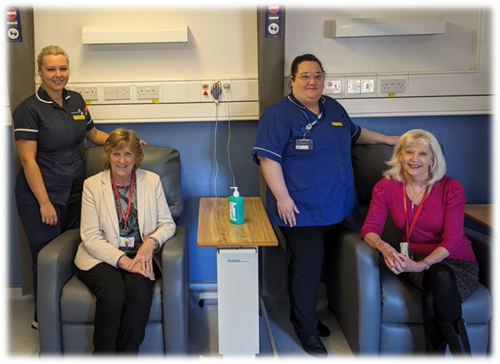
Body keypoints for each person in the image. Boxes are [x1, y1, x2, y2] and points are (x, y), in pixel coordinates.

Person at [251, 53, 399, 359]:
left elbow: (354, 133)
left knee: (332, 265)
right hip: (301, 208)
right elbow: (268, 158)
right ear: (292, 80)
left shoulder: (333, 107)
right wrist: (283, 198)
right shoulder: (278, 115)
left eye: (317, 75)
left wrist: (387, 138)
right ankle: (304, 328)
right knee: (306, 268)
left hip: (339, 204)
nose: (312, 81)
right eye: (305, 76)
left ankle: (311, 317)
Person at [13, 45, 110, 329]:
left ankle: (66, 309)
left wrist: (122, 141)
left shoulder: (76, 100)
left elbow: (92, 134)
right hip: (40, 194)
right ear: (40, 72)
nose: (58, 75)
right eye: (51, 69)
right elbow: (28, 160)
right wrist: (44, 202)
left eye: (63, 68)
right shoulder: (29, 109)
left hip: (74, 190)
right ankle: (42, 317)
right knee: (45, 255)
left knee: (72, 250)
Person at [361, 129, 478, 363]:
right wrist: (386, 248)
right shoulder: (385, 187)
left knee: (433, 293)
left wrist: (422, 264)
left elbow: (453, 239)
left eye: (423, 154)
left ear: (433, 159)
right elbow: (369, 229)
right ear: (400, 156)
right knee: (438, 275)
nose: (415, 159)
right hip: (411, 260)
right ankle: (465, 360)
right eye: (409, 152)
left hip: (457, 262)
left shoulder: (451, 187)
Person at [74, 127, 176, 362]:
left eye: (128, 154)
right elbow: (90, 236)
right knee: (113, 292)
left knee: (140, 292)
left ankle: (128, 358)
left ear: (137, 157)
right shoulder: (92, 186)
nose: (122, 160)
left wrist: (150, 243)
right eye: (116, 154)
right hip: (100, 256)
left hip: (140, 254)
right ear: (107, 156)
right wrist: (124, 262)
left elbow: (167, 224)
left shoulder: (152, 181)